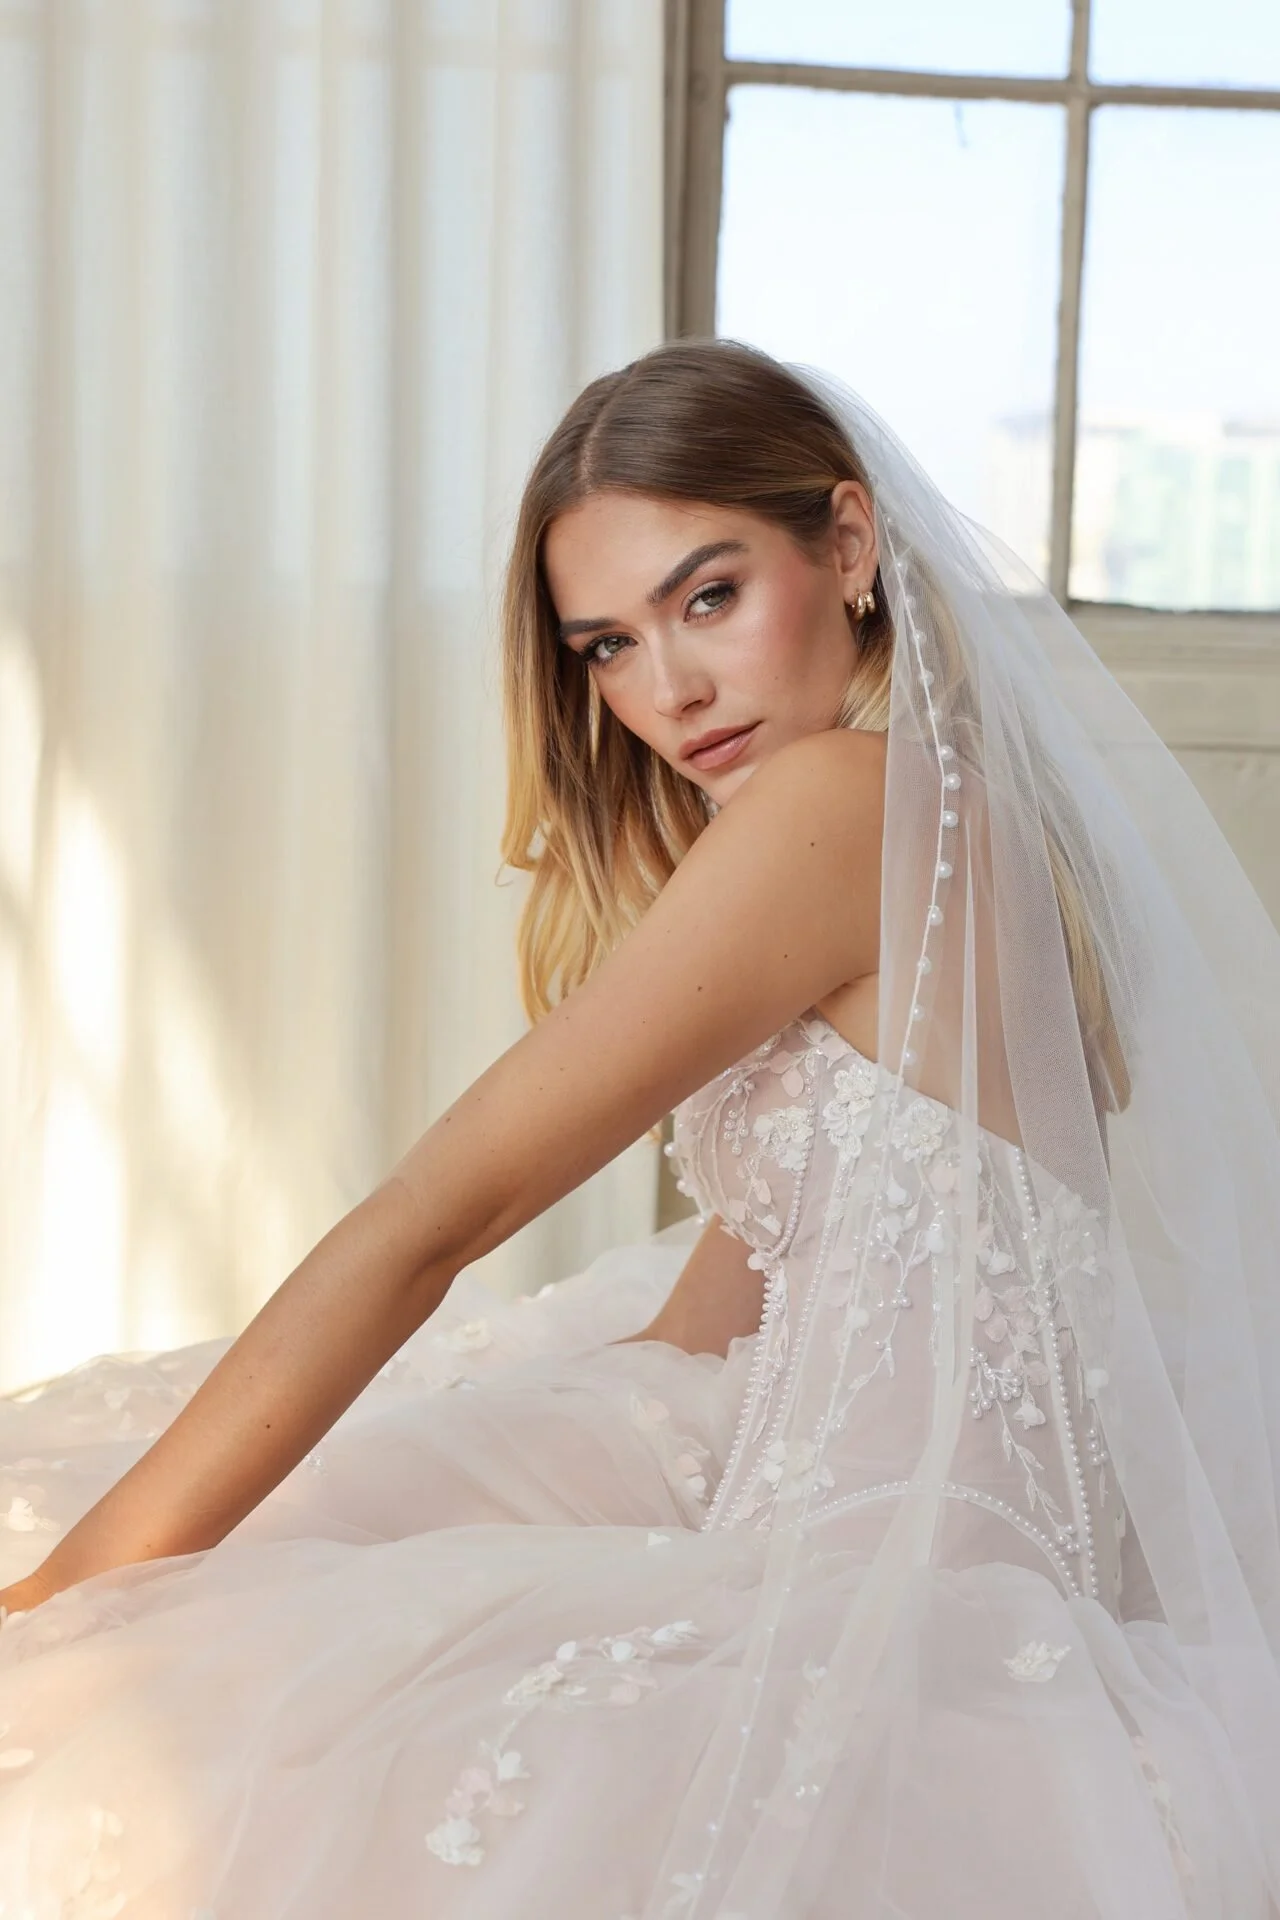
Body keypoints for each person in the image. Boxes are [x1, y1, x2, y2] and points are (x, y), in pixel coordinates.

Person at [0, 337, 1278, 1919]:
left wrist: (77, 1593)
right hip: (861, 1498)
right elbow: (752, 1294)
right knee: (288, 1526)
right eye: (606, 642)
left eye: (710, 597)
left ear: (851, 547)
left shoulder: (842, 806)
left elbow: (435, 1212)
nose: (663, 690)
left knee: (152, 1670)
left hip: (892, 1586)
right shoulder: (932, 812)